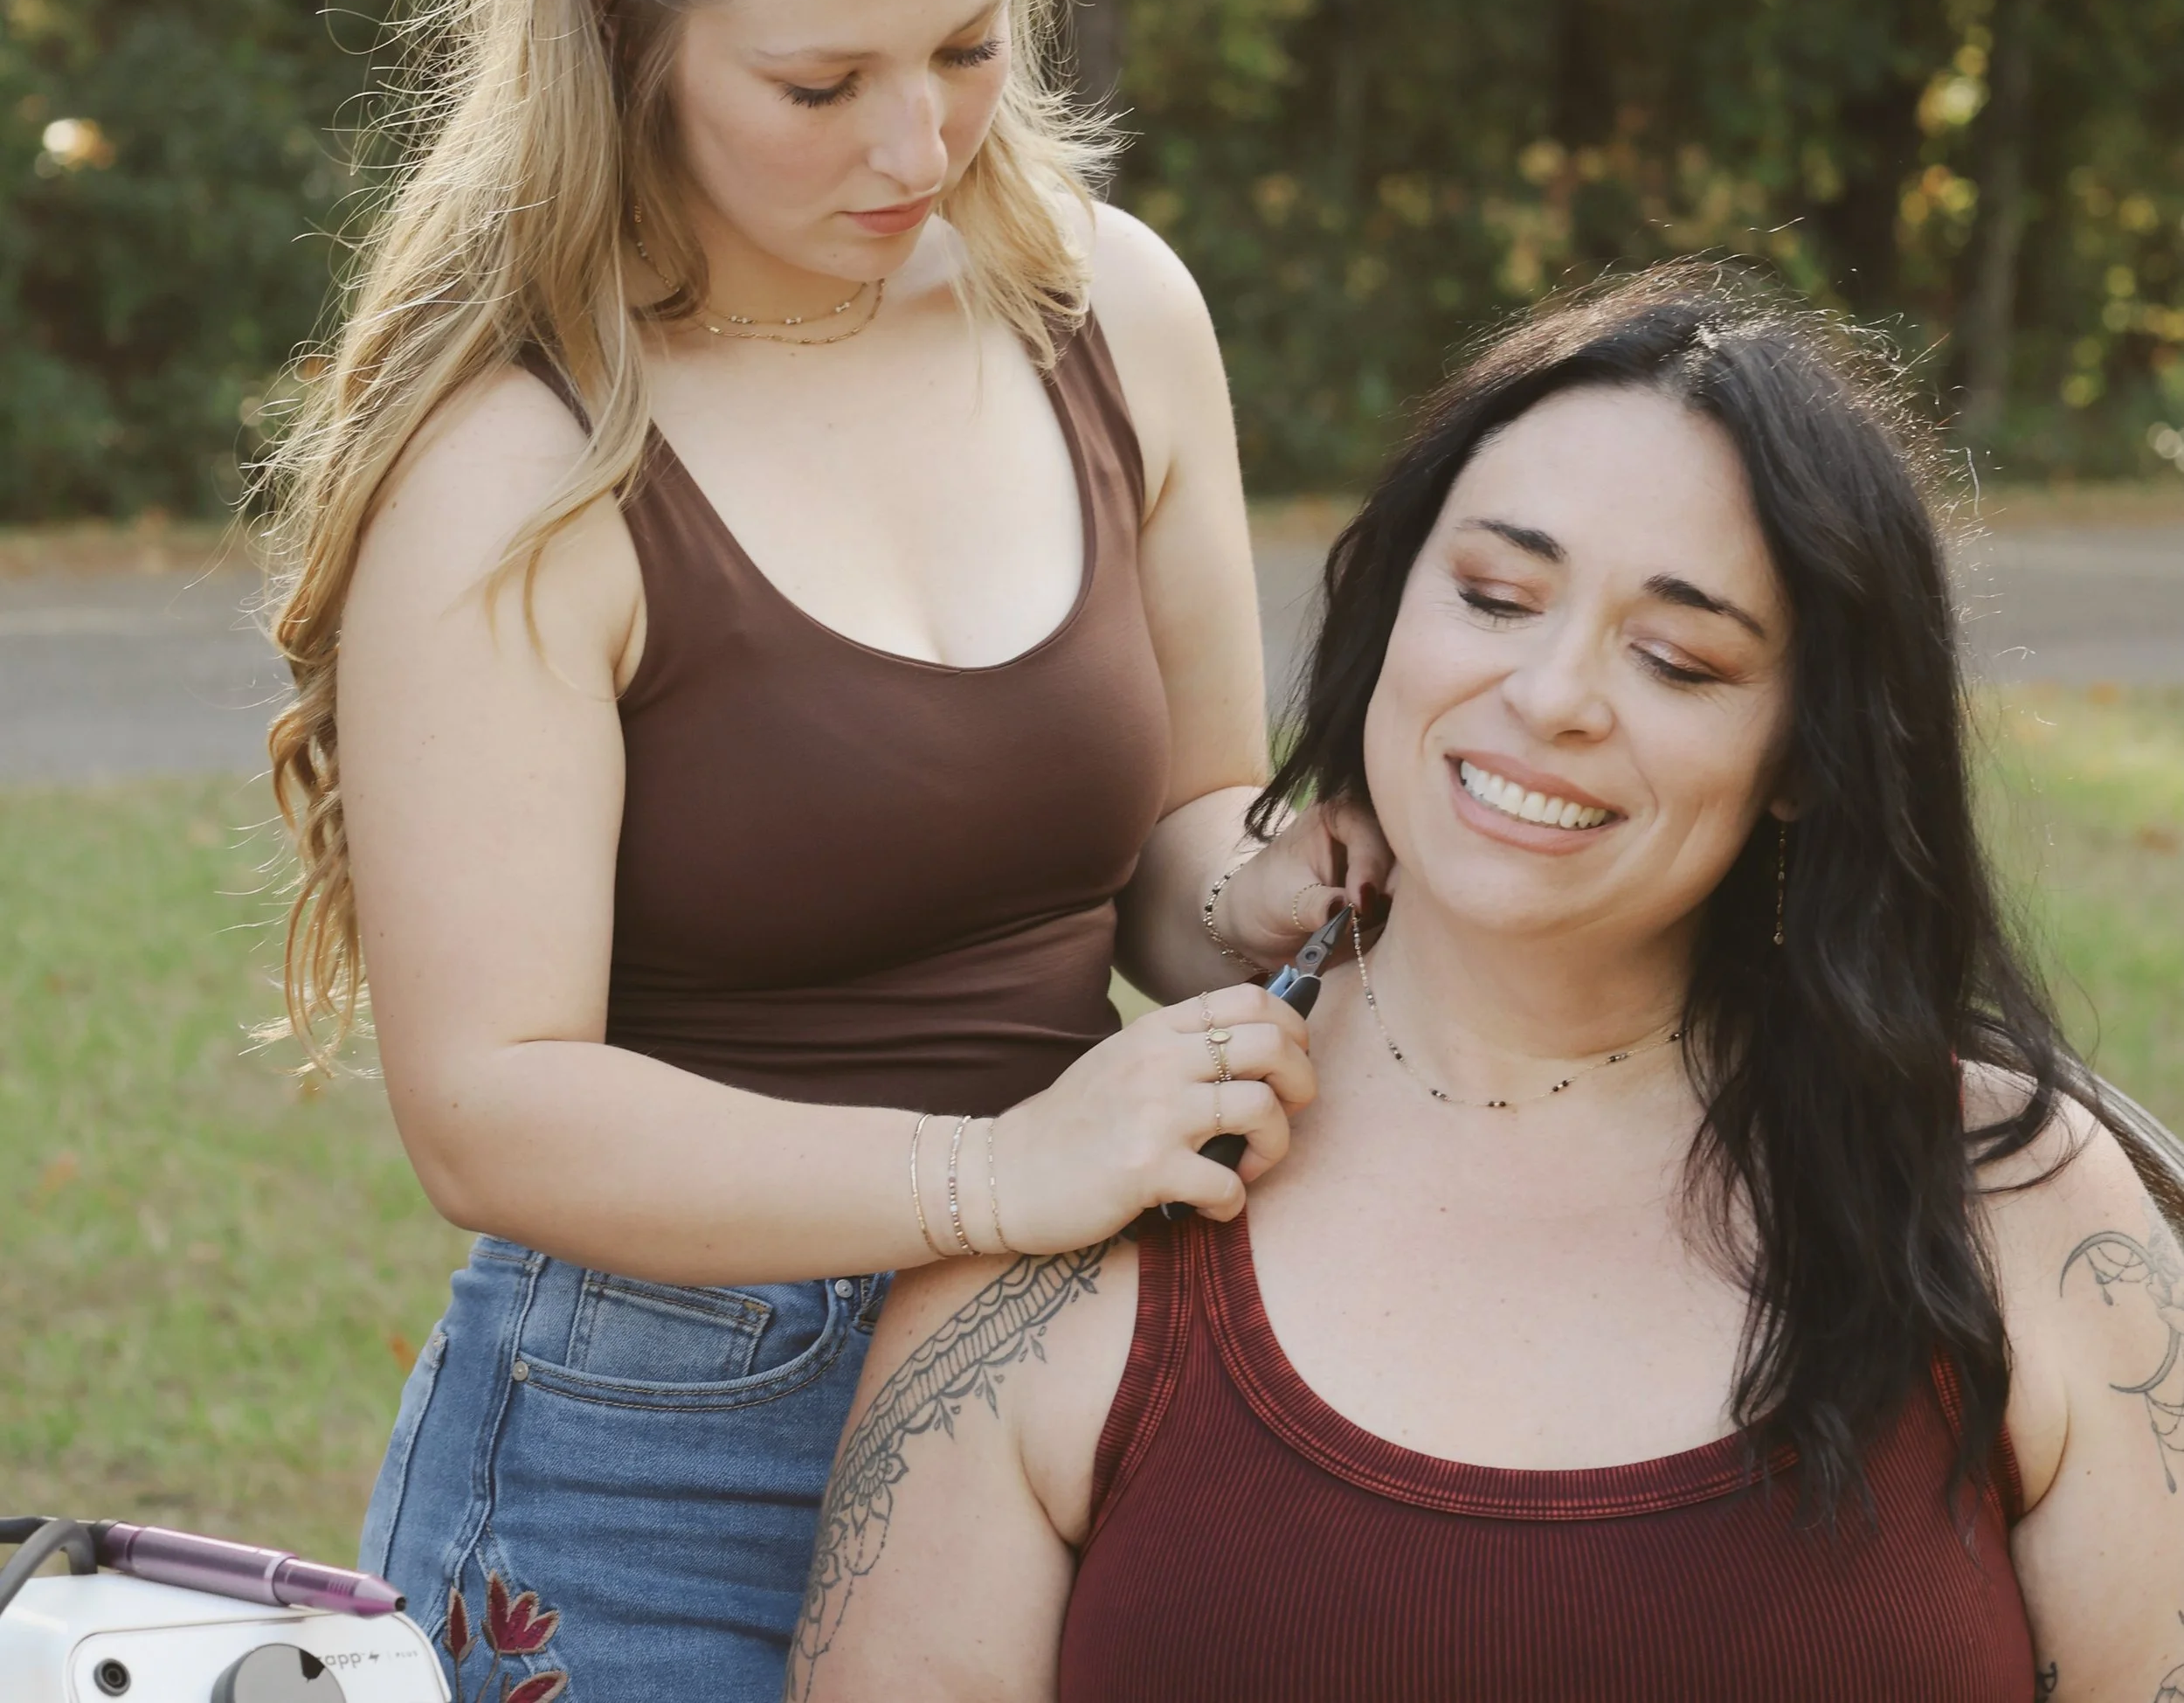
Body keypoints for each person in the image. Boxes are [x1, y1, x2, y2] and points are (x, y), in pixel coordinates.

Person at [261, 0, 1383, 1700]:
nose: (914, 145)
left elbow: (1167, 833)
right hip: (648, 1464)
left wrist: (1276, 892)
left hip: (1072, 1386)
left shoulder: (1109, 316)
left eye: (965, 49)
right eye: (818, 83)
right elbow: (489, 1105)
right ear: (622, 28)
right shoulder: (518, 460)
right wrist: (988, 1166)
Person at [789, 266, 2184, 1703]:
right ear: (1394, 606)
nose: (1554, 694)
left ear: (1808, 760)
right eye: (1496, 595)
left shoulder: (2014, 1211)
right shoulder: (1077, 1213)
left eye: (1678, 659)